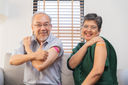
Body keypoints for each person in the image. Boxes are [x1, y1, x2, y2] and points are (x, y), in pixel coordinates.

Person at [9, 12, 64, 85]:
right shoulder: (27, 41)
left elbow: (40, 66)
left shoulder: (56, 43)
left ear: (50, 26)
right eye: (38, 25)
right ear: (32, 27)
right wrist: (35, 55)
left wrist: (28, 49)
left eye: (46, 24)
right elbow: (12, 60)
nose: (43, 28)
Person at [67, 13, 118, 85]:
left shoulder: (100, 43)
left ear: (99, 31)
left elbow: (97, 72)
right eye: (86, 26)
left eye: (93, 27)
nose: (88, 30)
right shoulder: (80, 46)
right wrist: (86, 45)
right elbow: (71, 65)